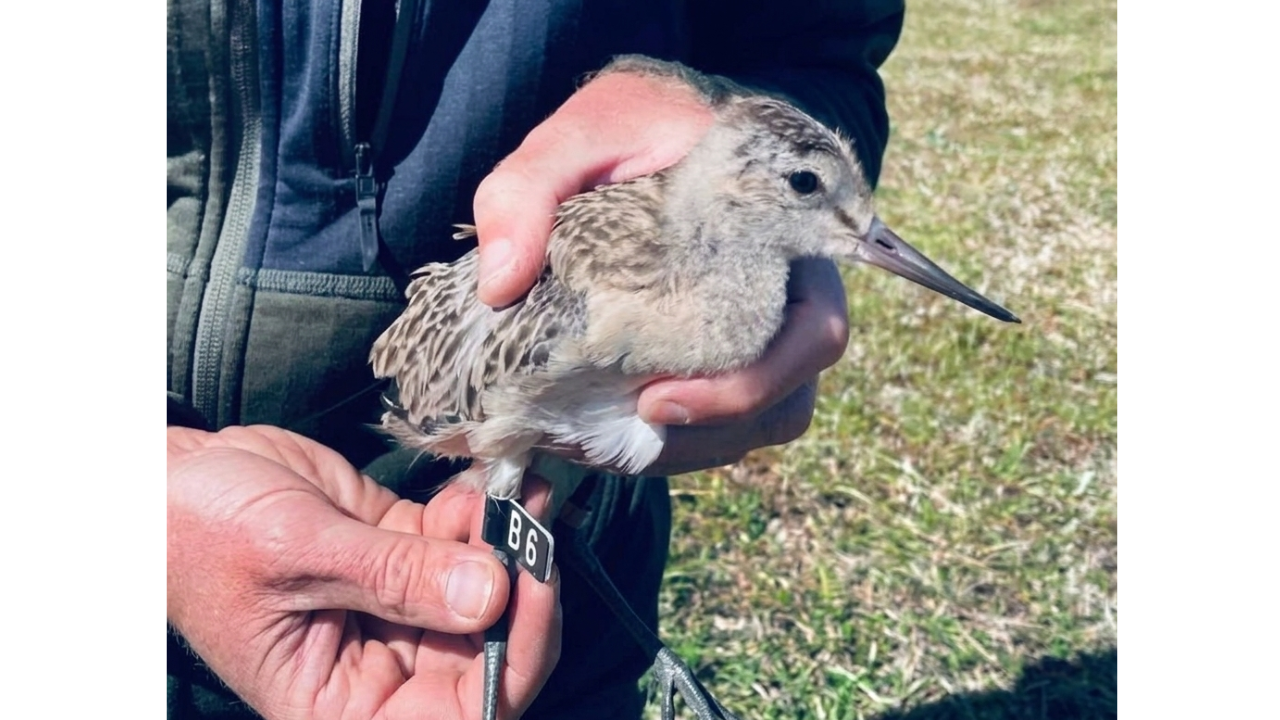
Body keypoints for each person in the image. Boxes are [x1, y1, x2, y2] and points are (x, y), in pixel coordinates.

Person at [166, 1, 905, 718]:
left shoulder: (723, 236)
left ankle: (642, 645)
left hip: (588, 579)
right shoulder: (580, 289)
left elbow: (822, 44)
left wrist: (709, 99)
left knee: (533, 548)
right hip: (205, 563)